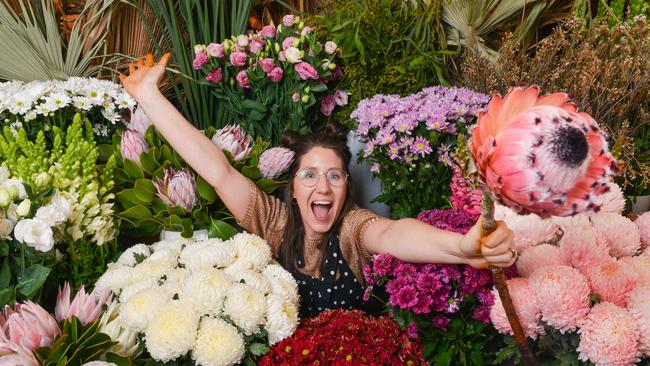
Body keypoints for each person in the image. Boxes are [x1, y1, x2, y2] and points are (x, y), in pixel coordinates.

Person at [120, 54, 516, 317]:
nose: (322, 186)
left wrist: (462, 248)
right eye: (309, 175)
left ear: (346, 186)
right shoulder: (273, 223)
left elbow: (395, 233)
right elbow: (217, 169)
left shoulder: (351, 230)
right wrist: (149, 97)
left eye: (334, 175)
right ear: (293, 188)